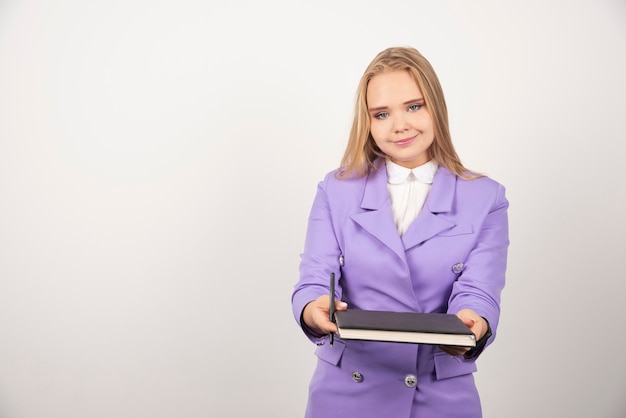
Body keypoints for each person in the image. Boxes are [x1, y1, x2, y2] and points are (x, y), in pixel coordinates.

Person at [291, 46, 509, 418]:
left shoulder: (486, 197)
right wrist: (314, 309)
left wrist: (472, 322)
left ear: (435, 107)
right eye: (381, 113)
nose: (400, 125)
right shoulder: (336, 189)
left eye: (413, 106)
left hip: (439, 395)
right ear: (369, 123)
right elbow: (315, 275)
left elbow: (479, 290)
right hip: (347, 391)